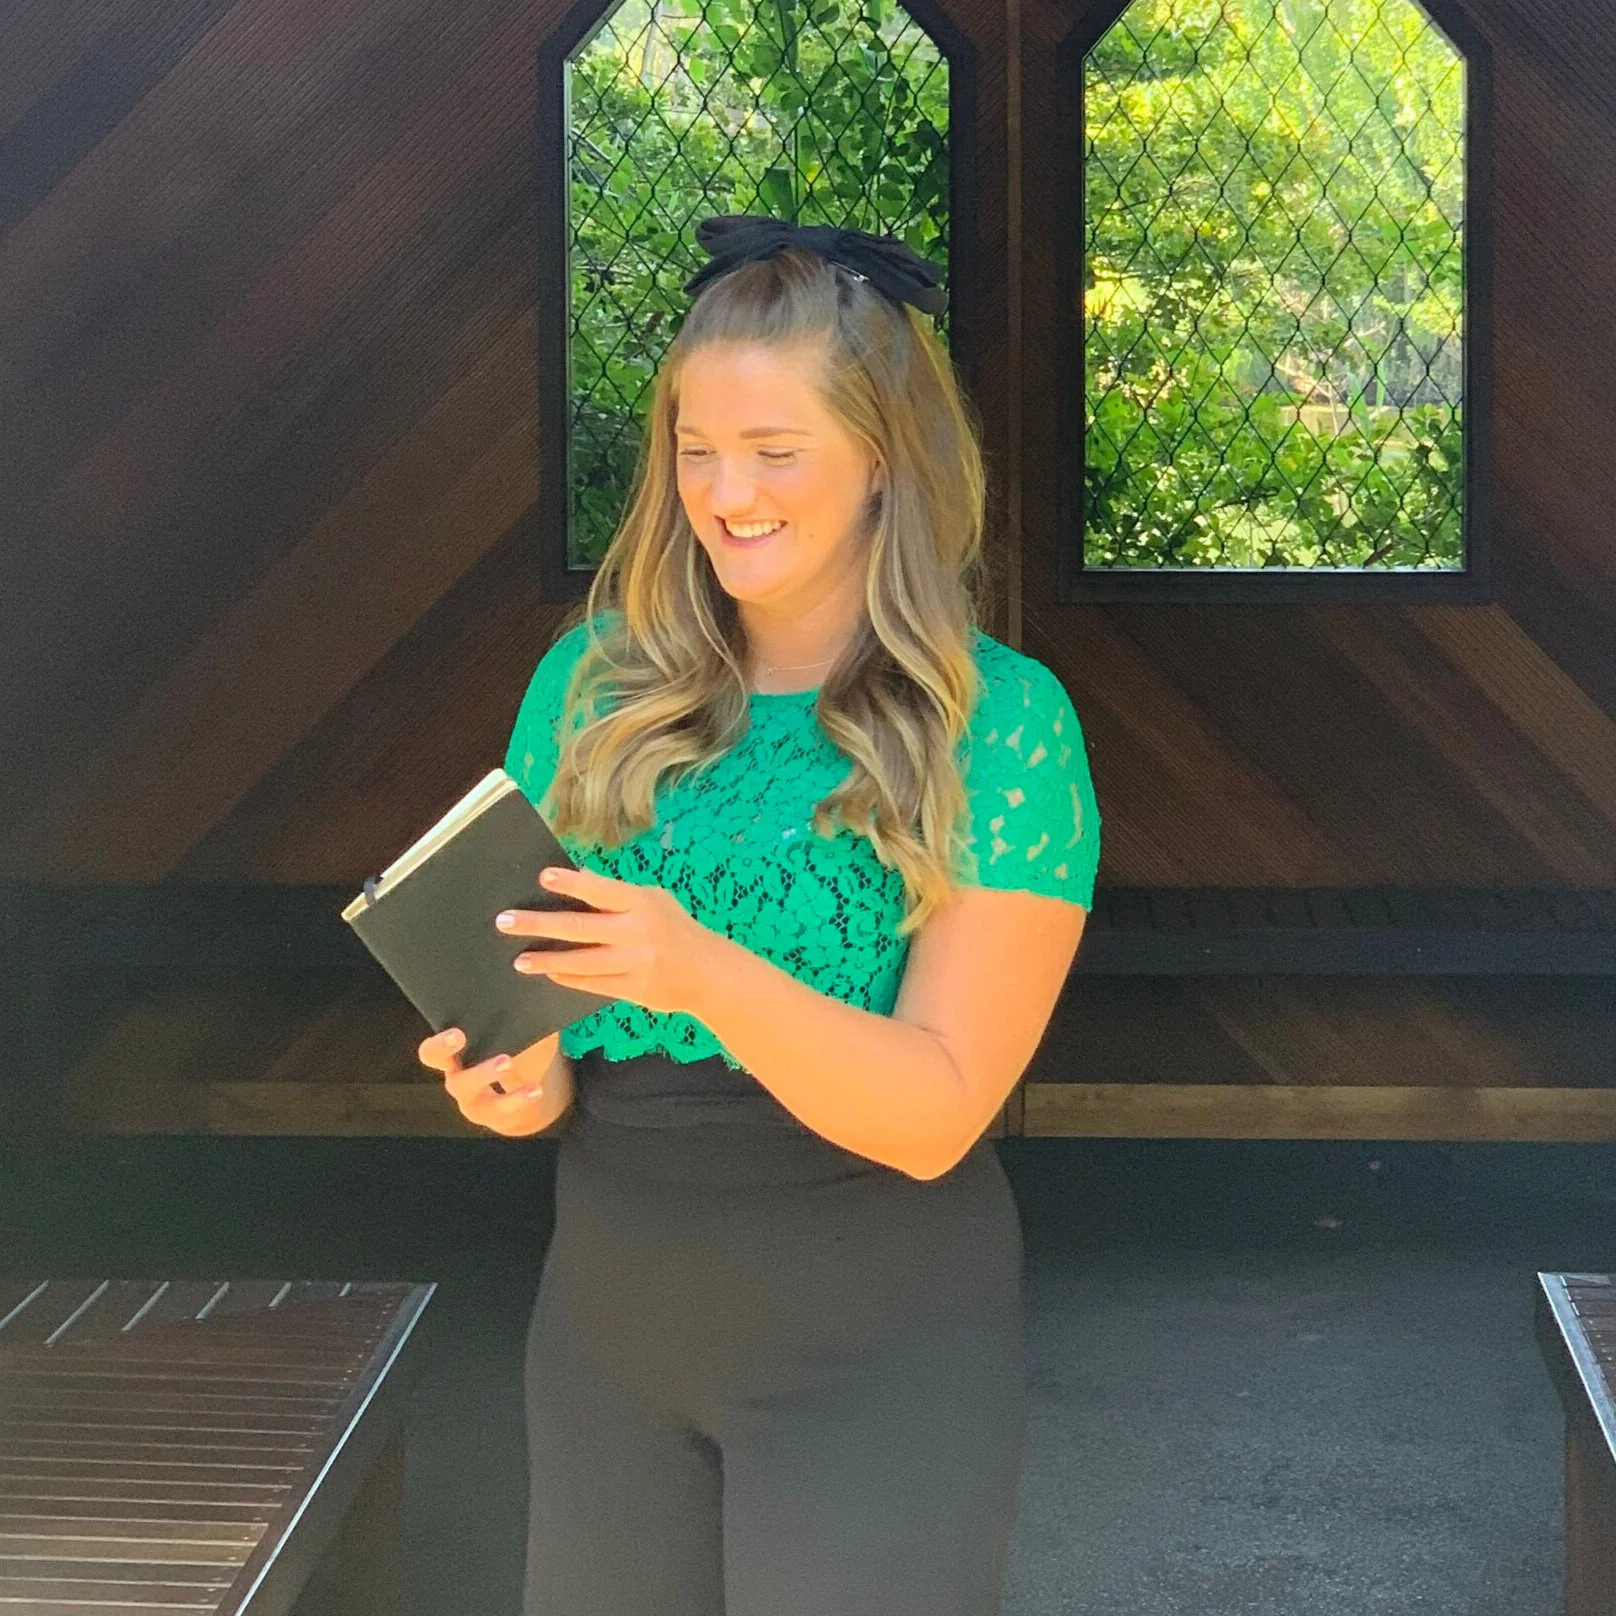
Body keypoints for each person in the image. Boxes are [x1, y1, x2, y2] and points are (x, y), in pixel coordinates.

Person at [417, 212, 1102, 1616]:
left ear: (886, 461)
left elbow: (938, 1110)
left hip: (883, 1350)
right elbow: (539, 1053)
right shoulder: (590, 689)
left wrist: (698, 967)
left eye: (775, 452)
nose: (727, 492)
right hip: (607, 1333)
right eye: (695, 448)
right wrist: (510, 1075)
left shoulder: (1003, 727)